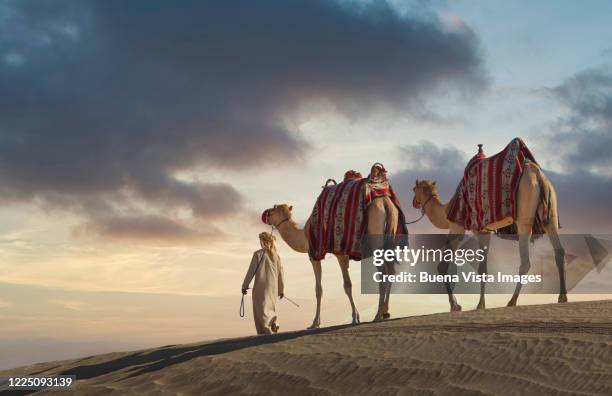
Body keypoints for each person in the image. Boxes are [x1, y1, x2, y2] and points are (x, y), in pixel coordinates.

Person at [242, 232, 285, 334]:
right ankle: (274, 323)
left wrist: (244, 286)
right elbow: (281, 274)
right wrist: (281, 290)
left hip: (261, 288)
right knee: (270, 308)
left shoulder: (258, 254)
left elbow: (251, 271)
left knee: (261, 311)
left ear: (263, 241)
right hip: (273, 289)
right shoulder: (277, 256)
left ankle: (266, 332)